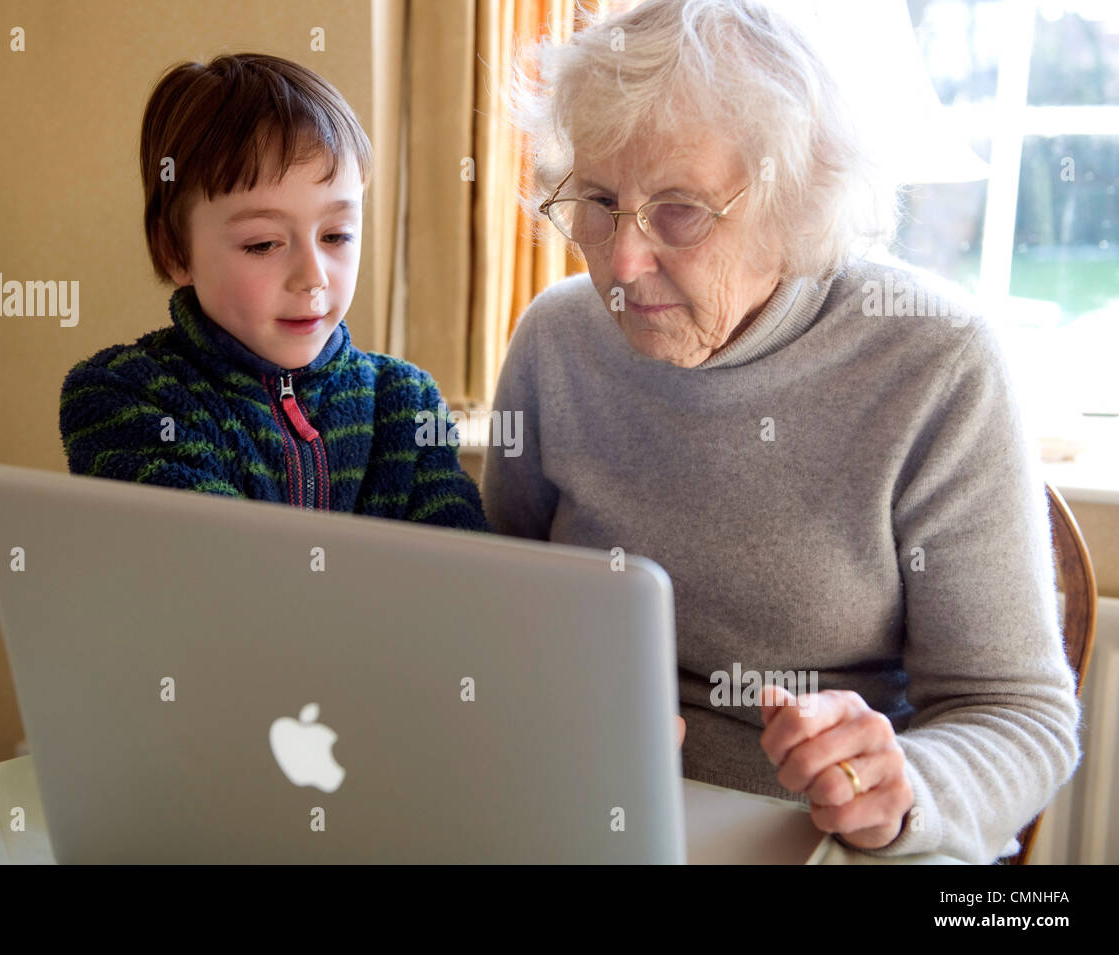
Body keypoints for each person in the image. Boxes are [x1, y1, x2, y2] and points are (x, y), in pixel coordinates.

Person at [481, 0, 1081, 863]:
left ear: (797, 205)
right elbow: (503, 608)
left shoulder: (936, 361)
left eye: (679, 209)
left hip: (832, 842)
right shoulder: (557, 339)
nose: (620, 260)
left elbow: (1020, 714)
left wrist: (899, 785)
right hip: (595, 819)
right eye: (601, 200)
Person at [60, 54, 489, 532]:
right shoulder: (125, 396)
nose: (313, 277)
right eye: (263, 244)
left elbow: (463, 578)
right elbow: (225, 574)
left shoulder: (405, 404)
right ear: (174, 252)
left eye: (336, 236)